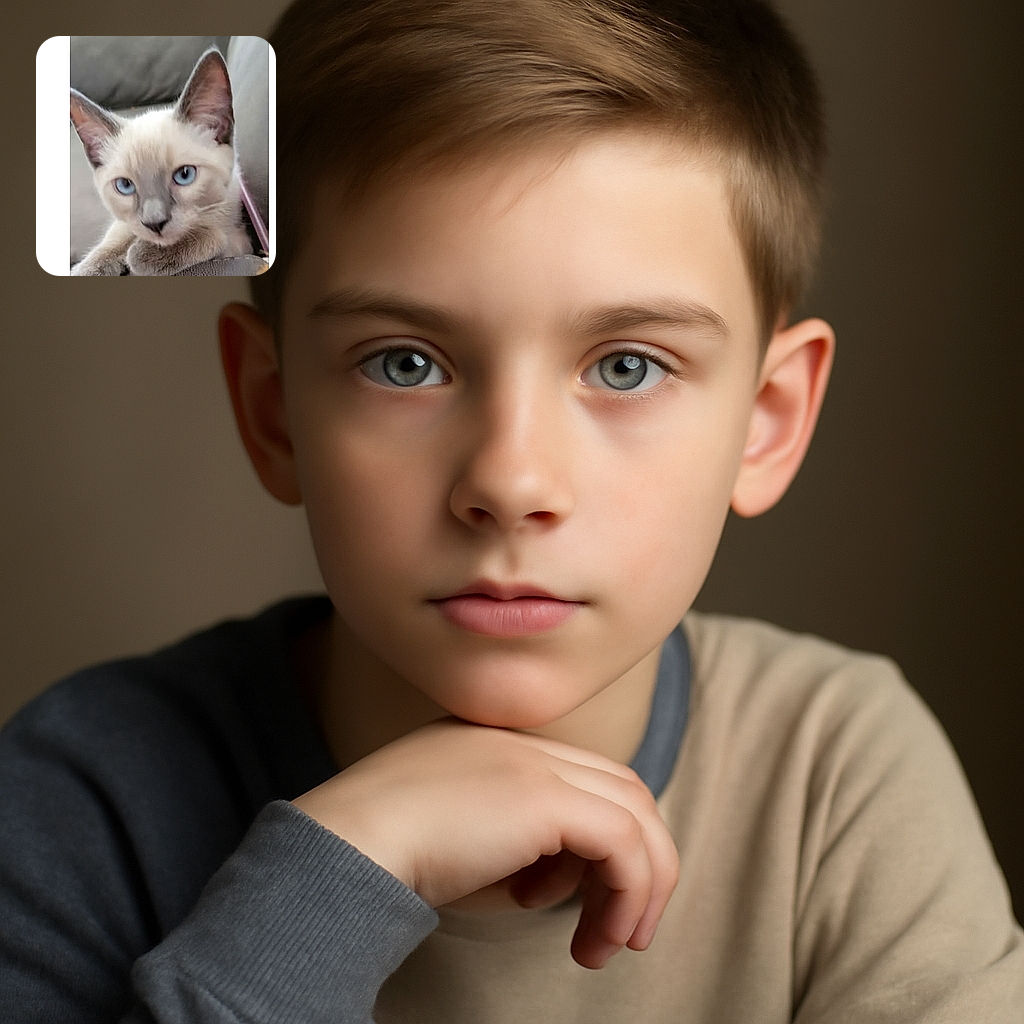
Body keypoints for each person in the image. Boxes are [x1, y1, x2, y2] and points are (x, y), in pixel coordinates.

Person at [3, 0, 1022, 1020]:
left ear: (766, 420)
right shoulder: (80, 798)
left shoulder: (832, 771)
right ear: (274, 413)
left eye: (627, 366)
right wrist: (343, 870)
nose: (511, 481)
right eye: (404, 363)